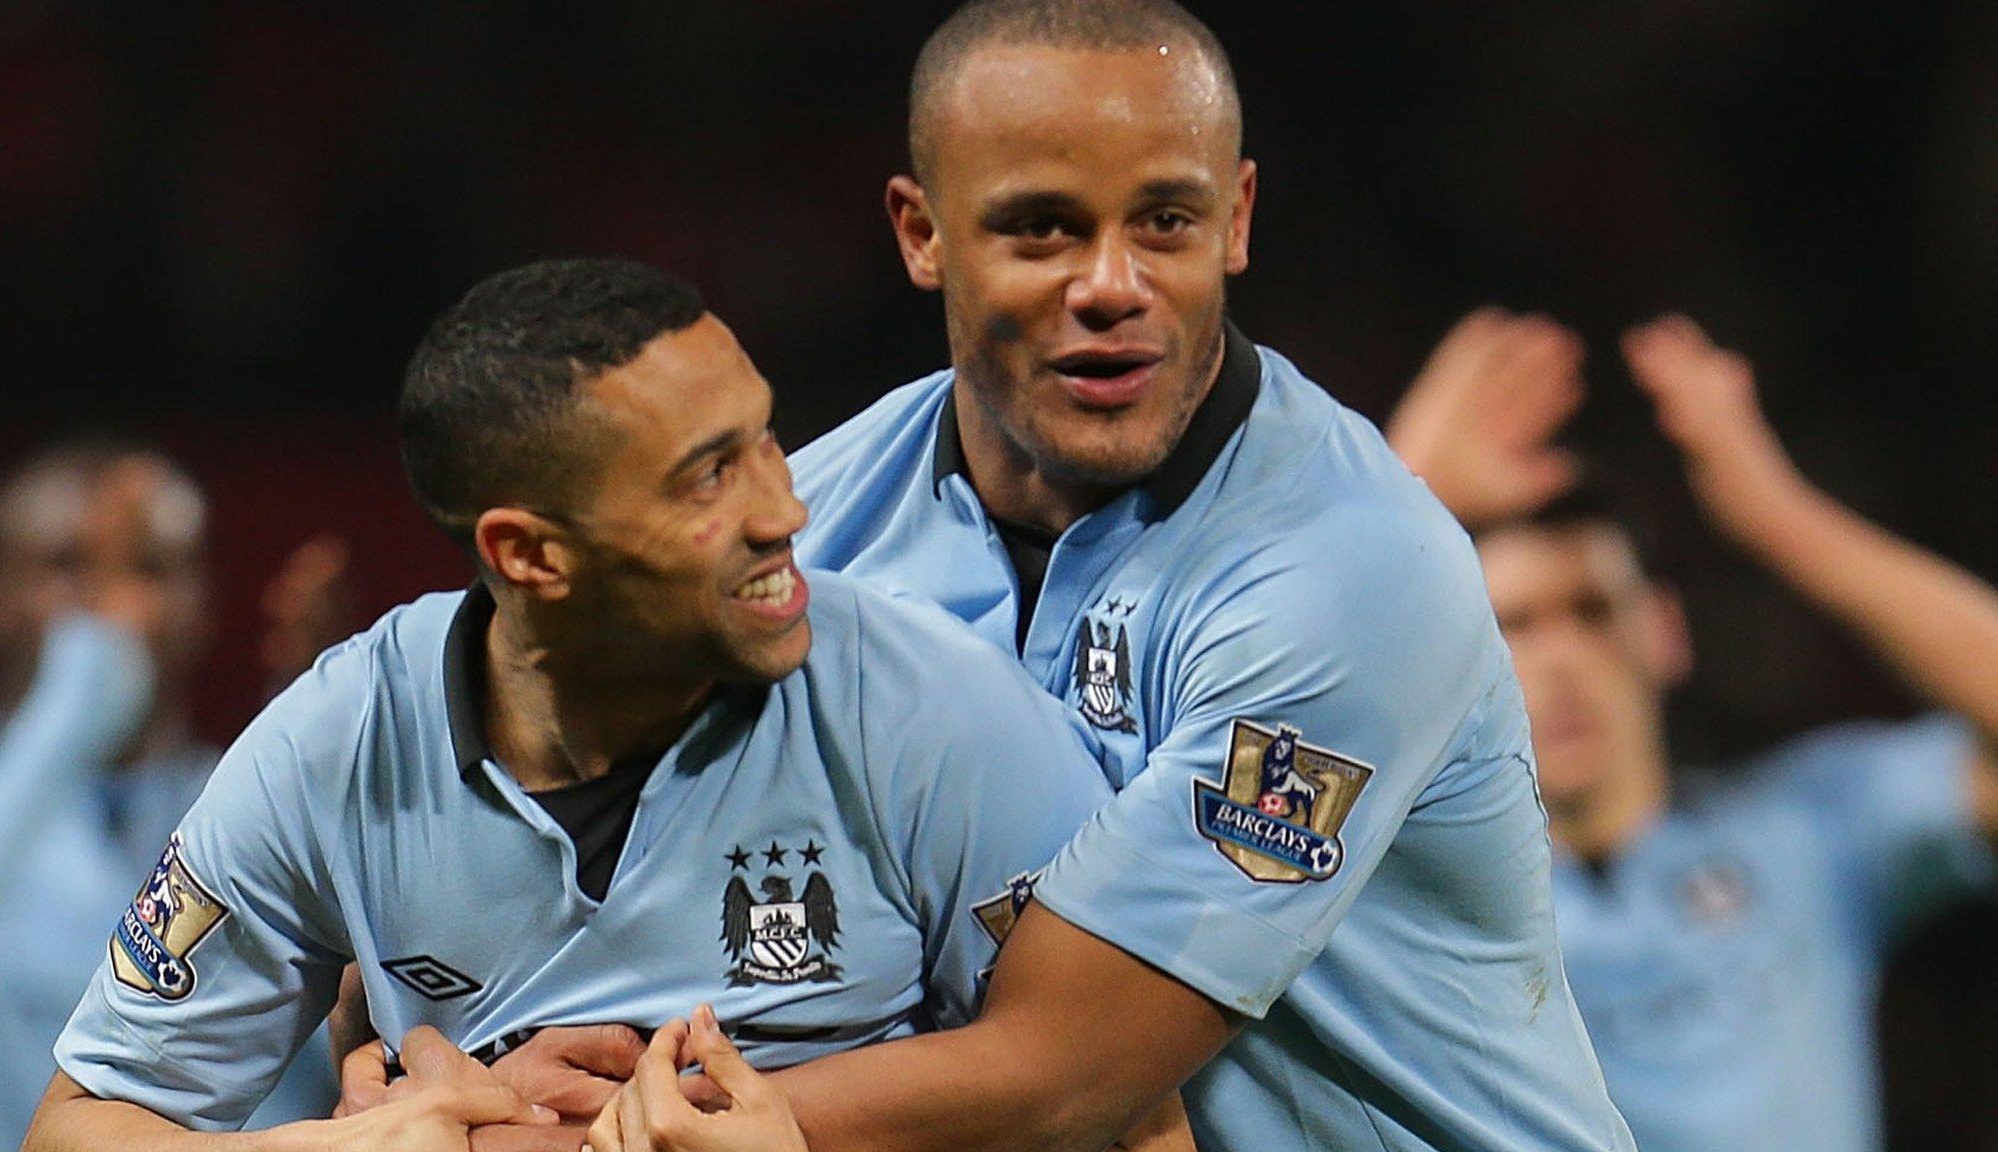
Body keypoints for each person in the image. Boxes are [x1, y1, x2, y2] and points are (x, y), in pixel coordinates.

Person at [539, 2, 1636, 1150]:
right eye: (1041, 230)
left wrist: (582, 1139)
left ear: (1236, 221)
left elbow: (1062, 1077)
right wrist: (484, 1066)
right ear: (921, 235)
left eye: (1164, 220)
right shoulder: (814, 531)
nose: (1111, 283)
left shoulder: (1348, 570)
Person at [21, 257, 1146, 1152]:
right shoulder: (335, 749)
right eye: (708, 476)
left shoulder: (929, 710)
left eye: (764, 438)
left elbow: (1131, 1116)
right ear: (531, 555)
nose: (784, 508)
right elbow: (76, 1128)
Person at [1387, 310, 1998, 1152]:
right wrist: (1392, 507)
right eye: (1513, 627)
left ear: (1664, 631)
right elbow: (1226, 812)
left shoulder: (1806, 831)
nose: (1560, 659)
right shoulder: (1402, 905)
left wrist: (1785, 522)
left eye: (1593, 612)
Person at [0, 443, 339, 1152]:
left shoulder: (259, 812)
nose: (118, 606)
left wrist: (328, 800)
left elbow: (344, 1055)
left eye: (152, 568)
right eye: (70, 566)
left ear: (204, 606)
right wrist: (83, 693)